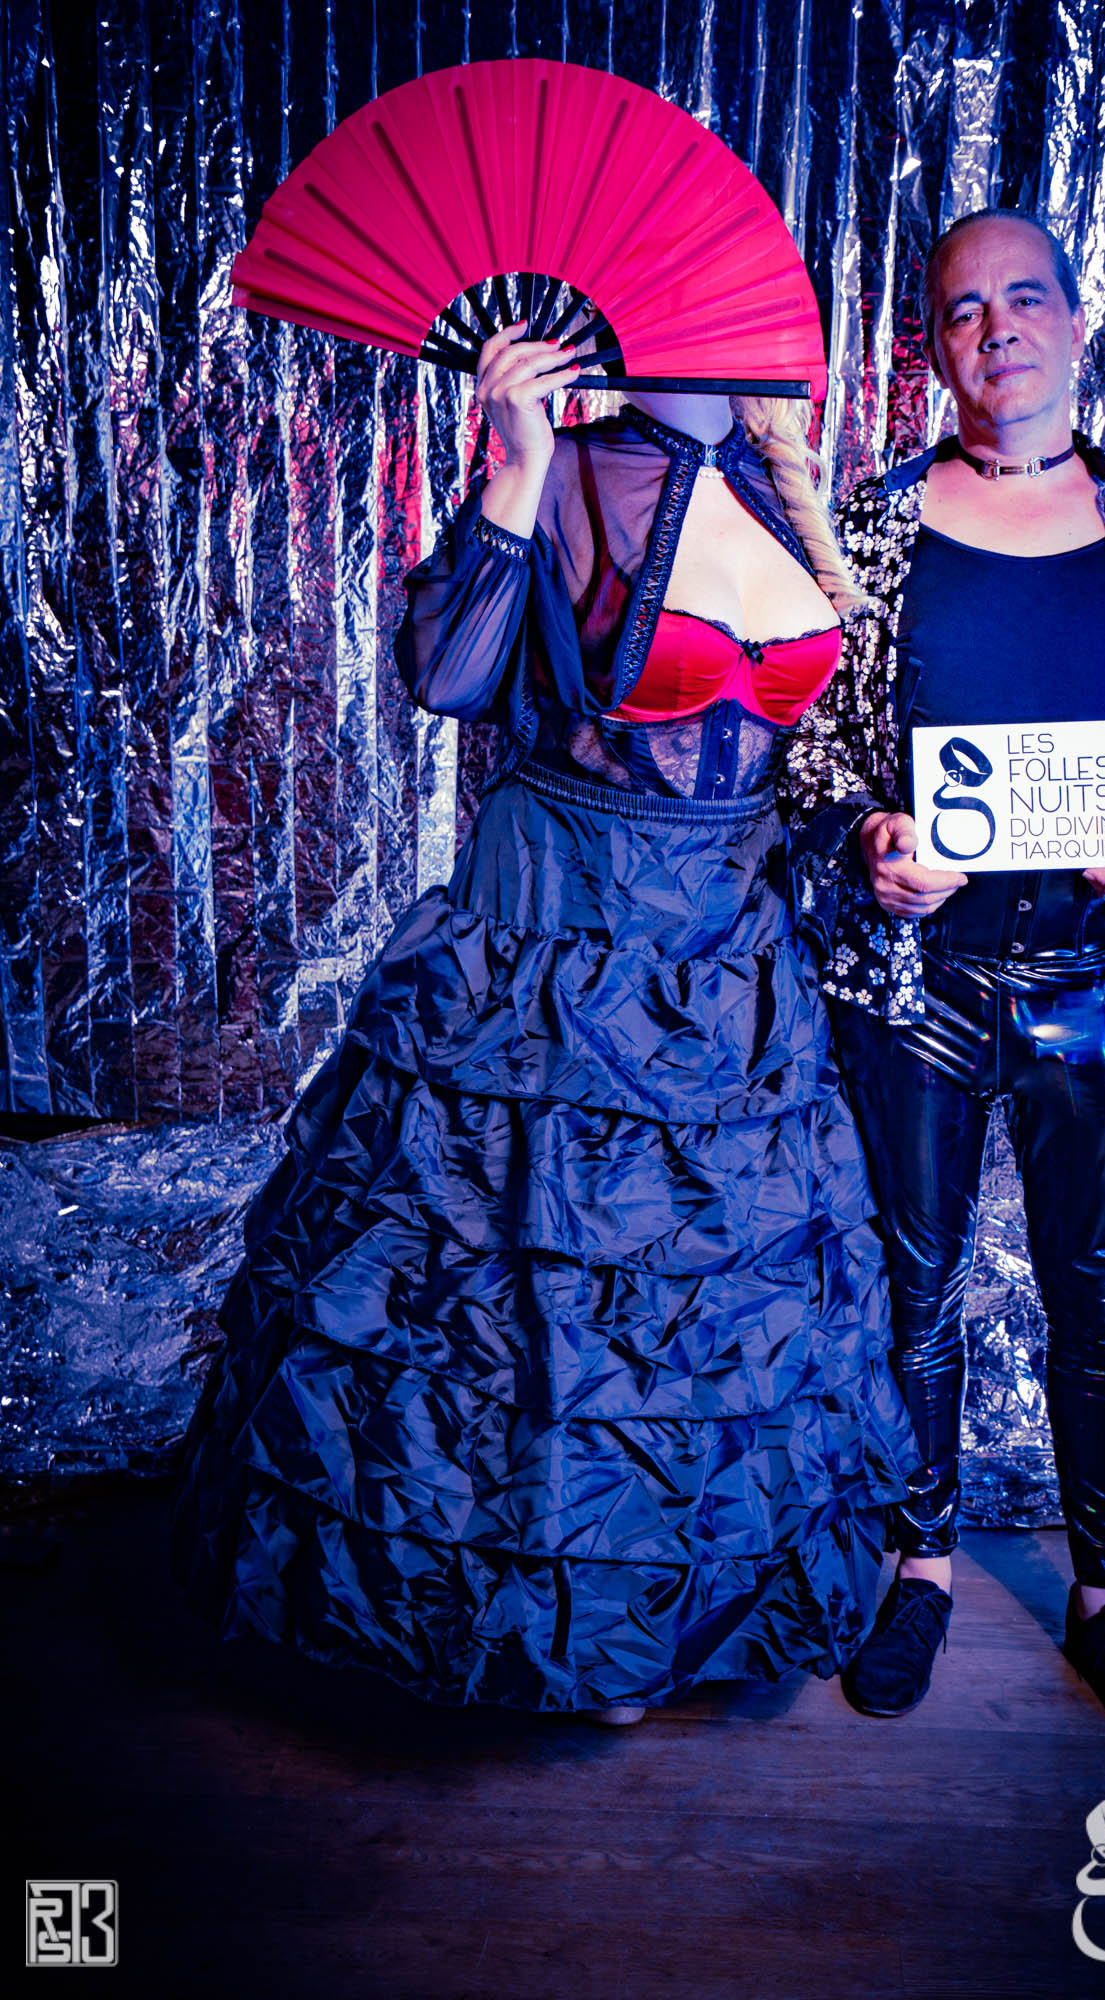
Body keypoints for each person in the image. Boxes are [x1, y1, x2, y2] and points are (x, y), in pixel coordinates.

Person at [171, 321, 922, 1723]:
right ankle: (548, 1639)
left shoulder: (788, 494)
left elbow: (811, 758)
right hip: (557, 951)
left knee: (695, 1313)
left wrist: (881, 839)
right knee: (544, 1304)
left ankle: (661, 1621)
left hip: (725, 960)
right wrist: (513, 468)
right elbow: (449, 681)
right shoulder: (569, 473)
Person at [779, 208, 1105, 1751]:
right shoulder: (872, 529)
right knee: (912, 1288)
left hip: (1093, 980)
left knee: (1092, 1289)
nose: (997, 329)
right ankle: (917, 1569)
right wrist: (864, 836)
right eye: (964, 309)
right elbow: (809, 757)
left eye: (1023, 299)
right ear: (930, 345)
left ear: (1071, 323)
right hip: (913, 982)